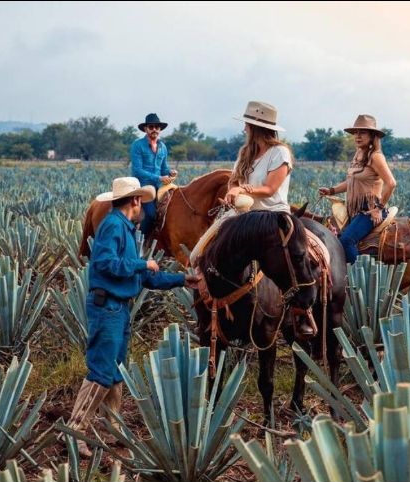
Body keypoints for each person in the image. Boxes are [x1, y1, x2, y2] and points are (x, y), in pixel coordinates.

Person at [67, 176, 198, 458]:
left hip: (119, 307)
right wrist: (142, 263)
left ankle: (114, 428)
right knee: (102, 372)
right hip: (107, 307)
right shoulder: (113, 226)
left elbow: (144, 277)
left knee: (116, 372)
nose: (143, 207)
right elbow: (103, 263)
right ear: (135, 201)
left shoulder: (127, 229)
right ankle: (75, 432)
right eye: (141, 201)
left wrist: (182, 281)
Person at [189, 100, 294, 263]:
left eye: (247, 125)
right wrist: (233, 191)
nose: (244, 128)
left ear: (257, 128)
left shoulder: (280, 153)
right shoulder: (245, 153)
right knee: (198, 255)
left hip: (271, 214)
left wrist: (241, 190)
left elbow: (269, 189)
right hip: (242, 214)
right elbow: (234, 181)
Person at [318, 114, 397, 263]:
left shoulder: (376, 157)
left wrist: (378, 208)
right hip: (354, 209)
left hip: (369, 211)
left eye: (363, 132)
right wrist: (332, 190)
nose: (357, 136)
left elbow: (391, 183)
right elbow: (351, 182)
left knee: (346, 242)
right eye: (356, 132)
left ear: (372, 136)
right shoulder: (358, 154)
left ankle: (360, 281)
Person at [130, 113, 177, 236]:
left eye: (157, 127)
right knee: (150, 214)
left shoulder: (163, 147)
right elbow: (137, 170)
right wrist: (159, 177)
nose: (154, 129)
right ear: (145, 129)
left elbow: (163, 168)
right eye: (151, 127)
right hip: (143, 186)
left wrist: (170, 172)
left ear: (160, 129)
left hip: (159, 185)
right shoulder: (138, 145)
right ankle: (140, 242)